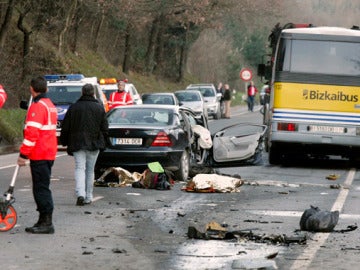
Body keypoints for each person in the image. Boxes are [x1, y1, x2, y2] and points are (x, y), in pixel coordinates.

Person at [17, 76, 58, 234]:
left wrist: (23, 154)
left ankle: (46, 222)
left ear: (31, 89)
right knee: (42, 187)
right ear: (46, 89)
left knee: (41, 189)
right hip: (48, 151)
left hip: (40, 152)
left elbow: (32, 133)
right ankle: (42, 220)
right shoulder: (50, 105)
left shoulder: (37, 106)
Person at [60, 83, 109, 206]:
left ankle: (80, 194)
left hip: (77, 143)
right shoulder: (99, 108)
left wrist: (64, 141)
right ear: (93, 94)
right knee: (90, 170)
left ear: (82, 93)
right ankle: (89, 196)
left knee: (79, 168)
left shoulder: (74, 108)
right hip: (94, 143)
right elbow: (105, 128)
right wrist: (105, 142)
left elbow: (66, 127)